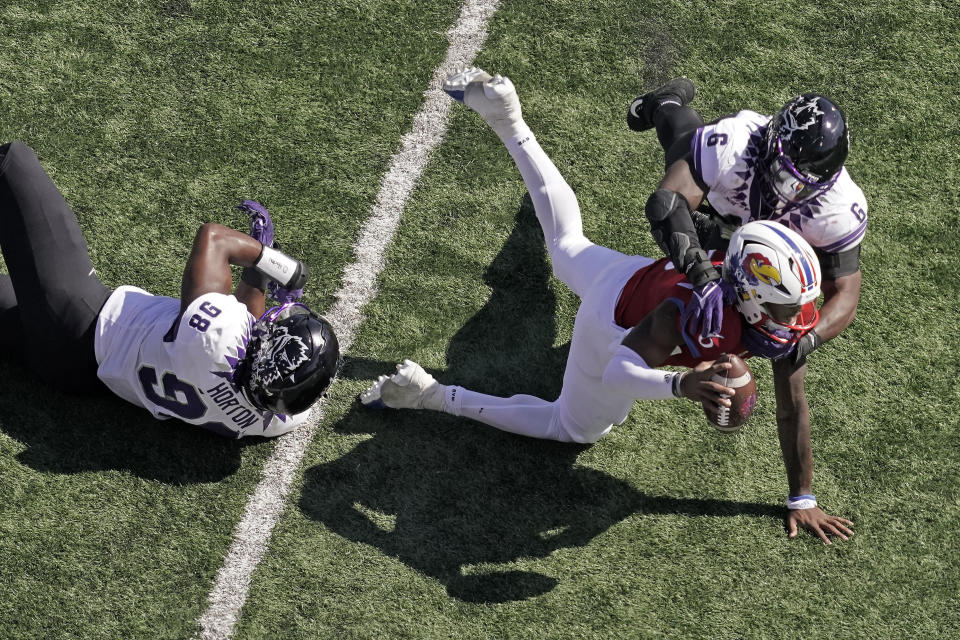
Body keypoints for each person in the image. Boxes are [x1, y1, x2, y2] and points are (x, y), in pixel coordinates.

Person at [361, 68, 853, 544]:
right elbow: (620, 370)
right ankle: (432, 395)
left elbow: (795, 398)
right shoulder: (699, 319)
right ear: (749, 297)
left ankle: (508, 120)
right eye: (790, 309)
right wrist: (681, 383)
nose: (799, 319)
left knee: (564, 245)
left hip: (631, 275)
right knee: (570, 427)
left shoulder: (756, 289)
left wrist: (801, 497)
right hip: (611, 323)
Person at [0, 141, 340, 438]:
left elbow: (214, 239)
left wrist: (275, 263)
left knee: (13, 164)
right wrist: (256, 278)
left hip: (78, 315)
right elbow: (244, 333)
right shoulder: (277, 418)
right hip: (80, 374)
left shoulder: (211, 339)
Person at [627, 78, 866, 366]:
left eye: (806, 188)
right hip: (728, 200)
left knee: (749, 256)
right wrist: (701, 274)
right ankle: (665, 103)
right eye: (787, 177)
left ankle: (718, 233)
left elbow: (845, 293)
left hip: (754, 231)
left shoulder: (839, 208)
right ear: (770, 146)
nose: (792, 193)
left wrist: (801, 343)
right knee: (682, 140)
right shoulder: (735, 143)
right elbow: (666, 204)